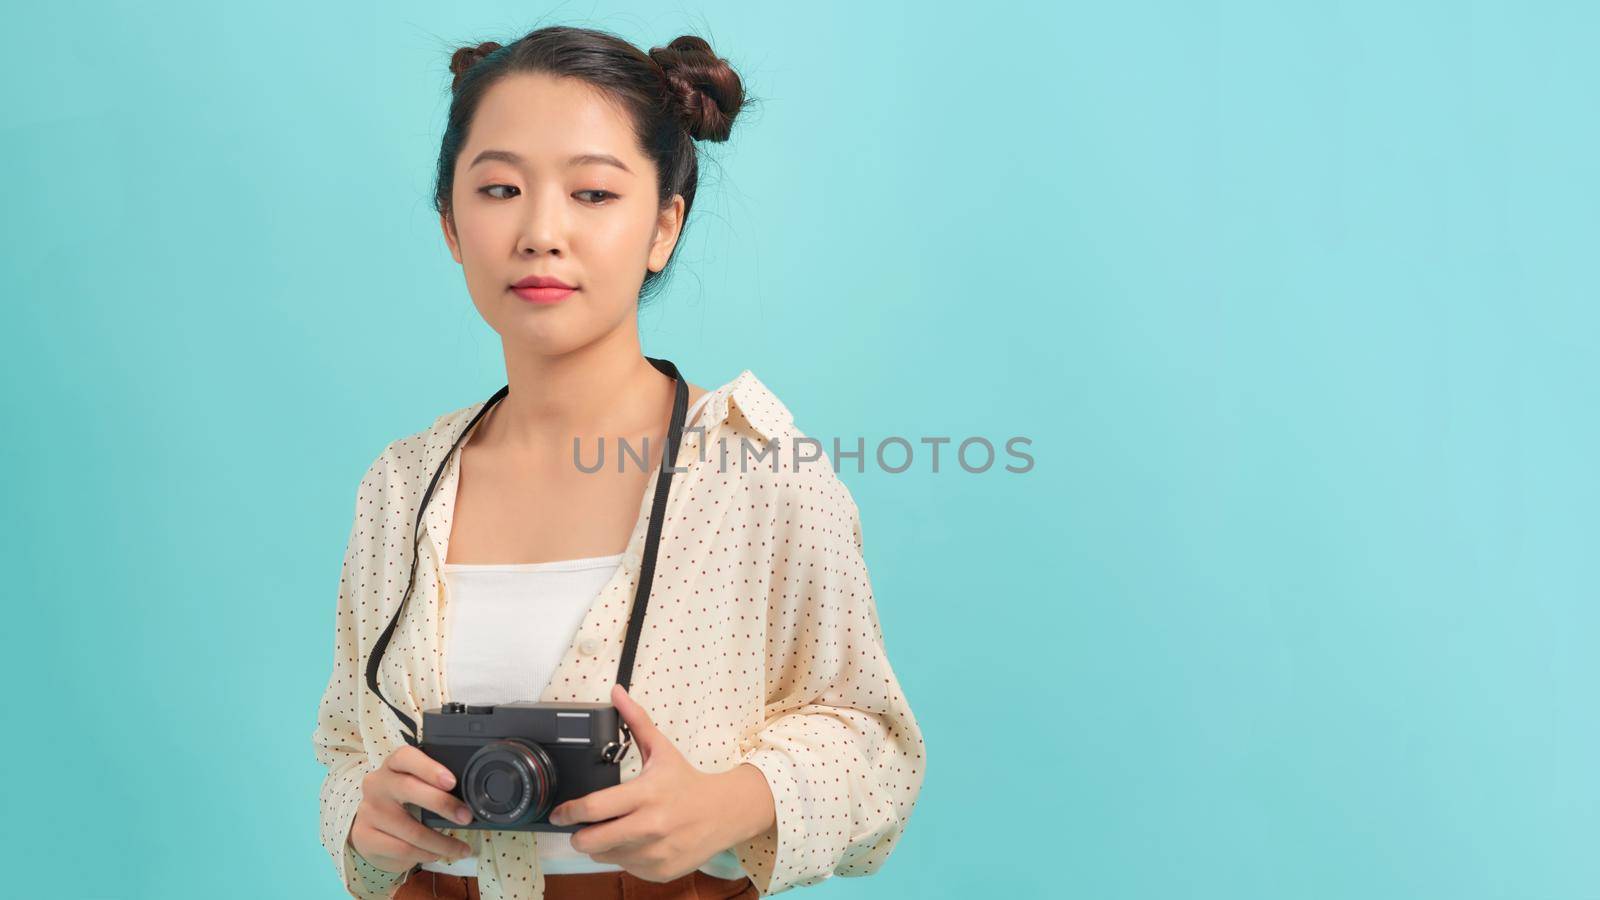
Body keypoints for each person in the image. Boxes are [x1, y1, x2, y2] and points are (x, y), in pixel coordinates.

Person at [311, 24, 926, 900]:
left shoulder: (760, 470)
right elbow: (343, 752)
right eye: (498, 188)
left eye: (593, 193)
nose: (539, 231)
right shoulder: (401, 486)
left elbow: (879, 751)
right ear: (451, 224)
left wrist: (734, 804)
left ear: (663, 226)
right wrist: (366, 827)